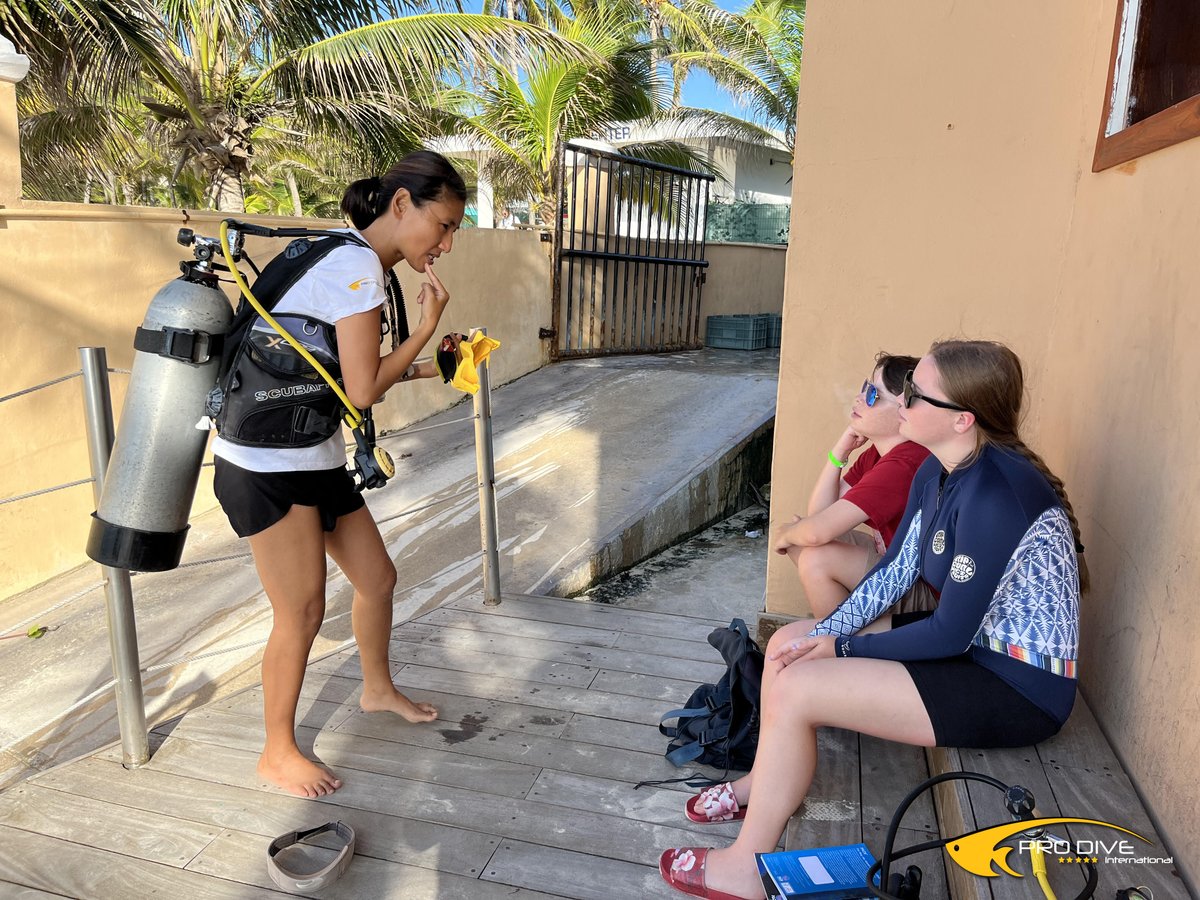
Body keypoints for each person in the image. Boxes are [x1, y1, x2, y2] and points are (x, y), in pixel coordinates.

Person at [660, 340, 1086, 900]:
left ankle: (746, 867)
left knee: (805, 682)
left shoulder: (996, 493)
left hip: (1016, 685)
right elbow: (893, 573)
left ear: (962, 419)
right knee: (791, 640)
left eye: (916, 394)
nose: (903, 402)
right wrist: (825, 633)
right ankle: (757, 787)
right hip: (970, 651)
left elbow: (950, 632)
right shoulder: (937, 471)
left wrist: (839, 649)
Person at [211, 151, 467, 798]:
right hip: (265, 467)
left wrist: (435, 360)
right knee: (299, 610)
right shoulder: (357, 268)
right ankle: (276, 750)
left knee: (377, 578)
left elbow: (343, 371)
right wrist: (427, 326)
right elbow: (359, 392)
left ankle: (376, 689)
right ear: (402, 204)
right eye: (442, 224)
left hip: (311, 455)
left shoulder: (344, 252)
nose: (446, 242)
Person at [772, 353, 932, 618]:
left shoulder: (906, 462)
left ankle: (842, 645)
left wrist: (785, 534)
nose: (860, 398)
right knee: (805, 540)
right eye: (865, 388)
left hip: (923, 589)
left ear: (904, 410)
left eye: (873, 395)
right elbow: (820, 515)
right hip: (900, 568)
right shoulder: (880, 453)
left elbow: (817, 531)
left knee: (814, 554)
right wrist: (840, 451)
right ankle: (853, 628)